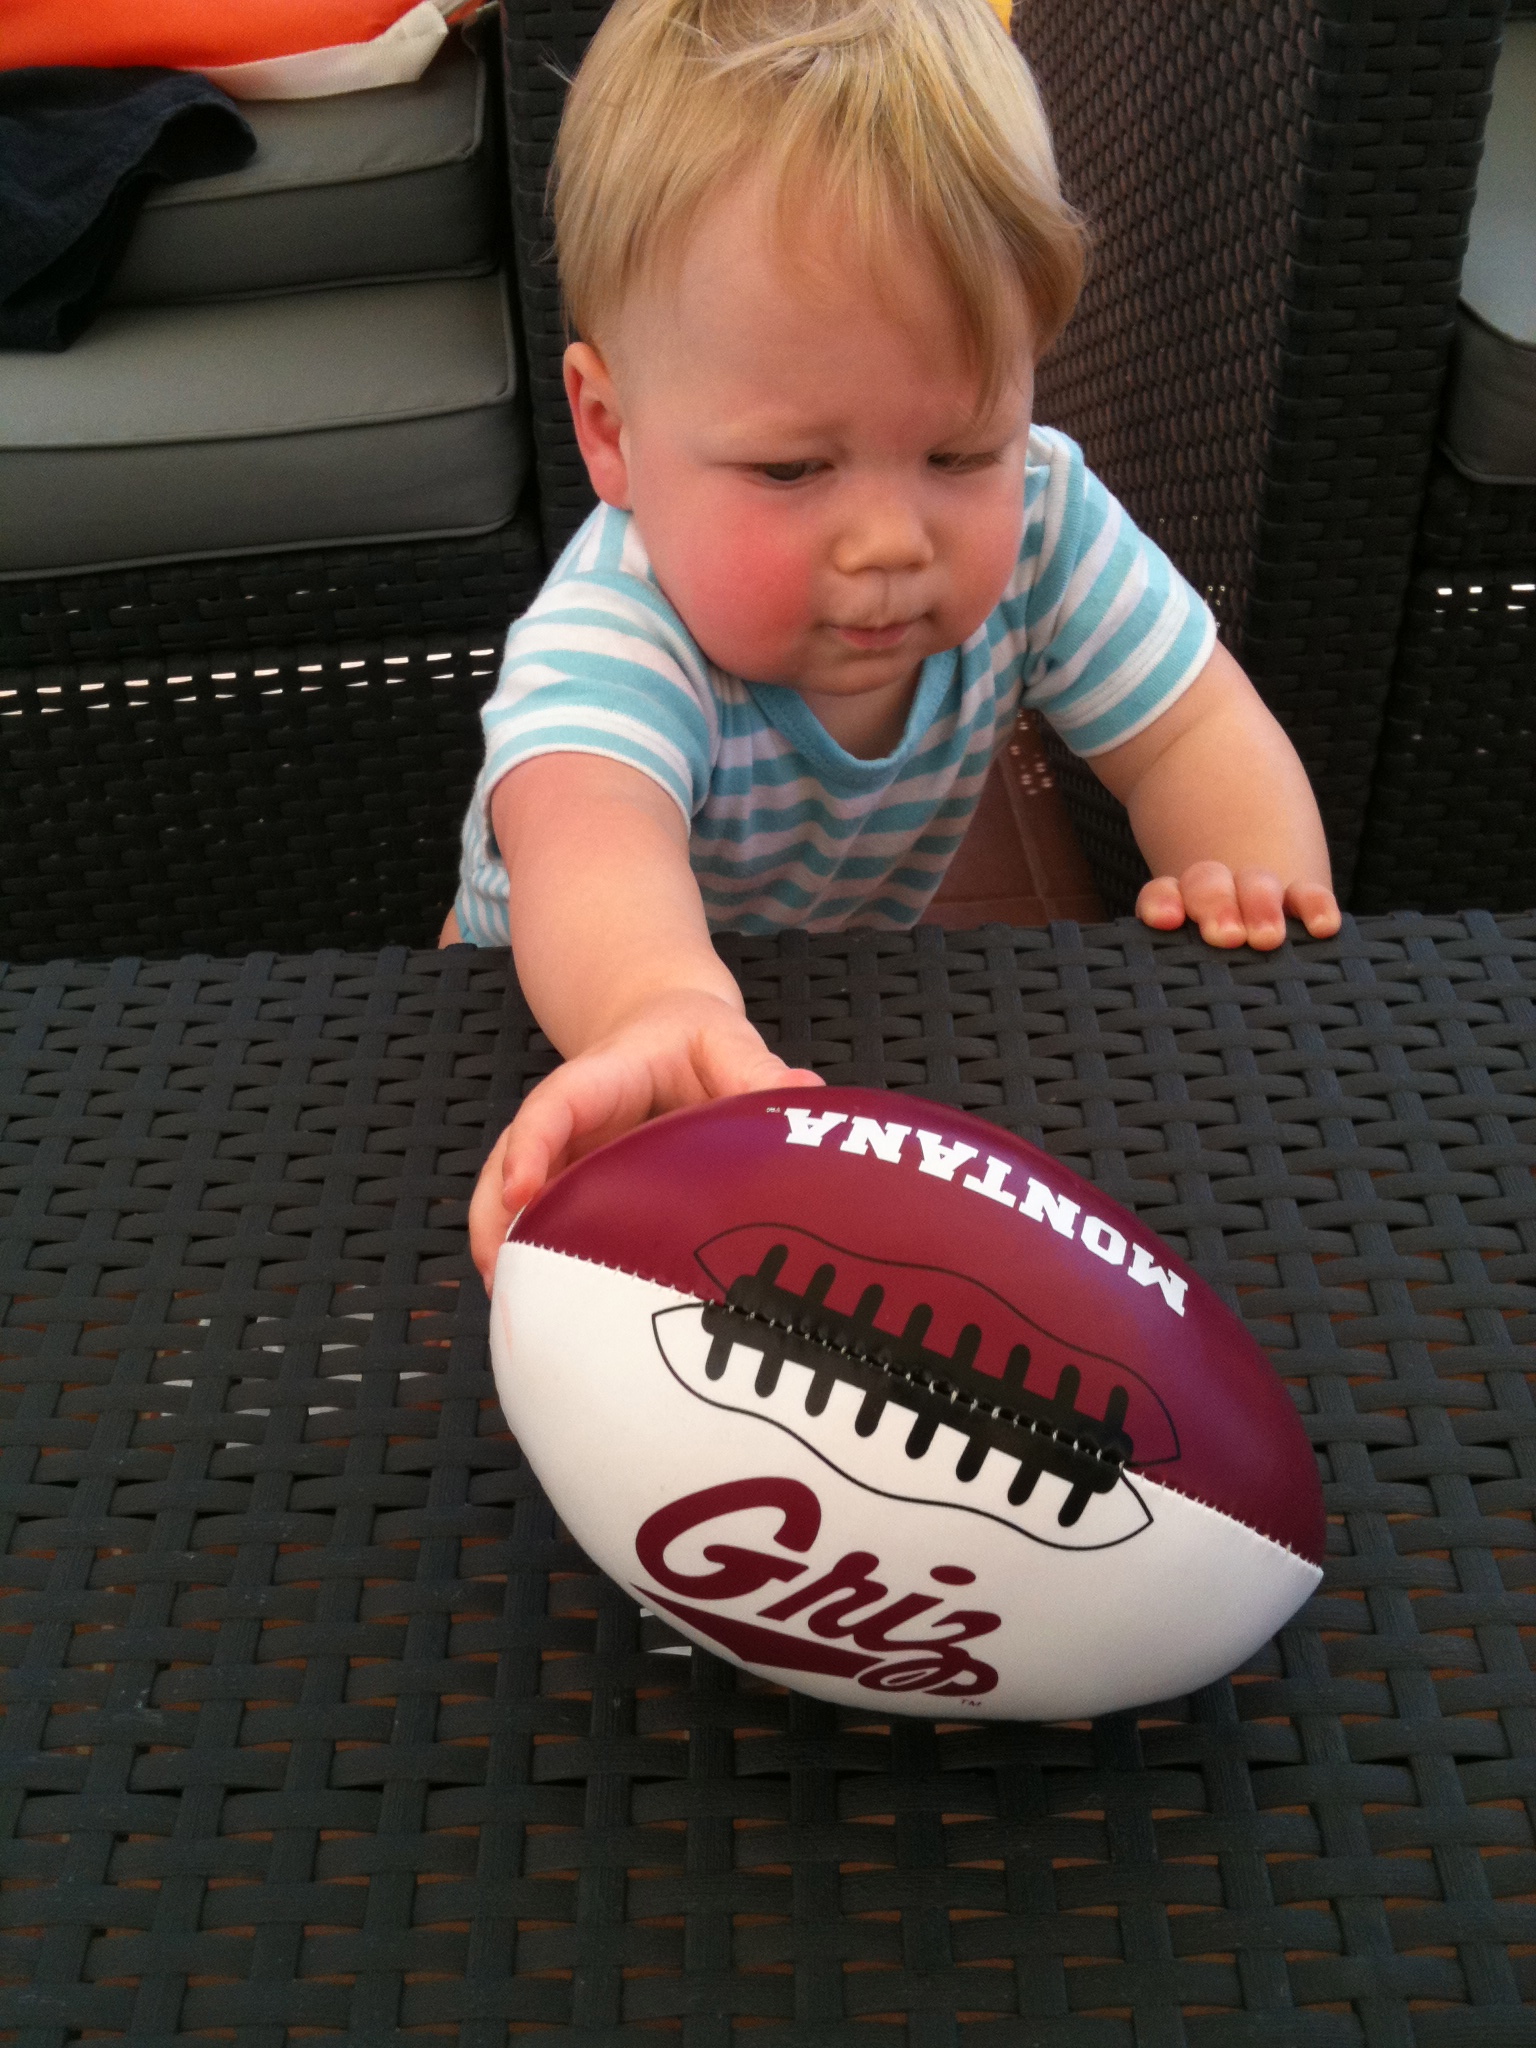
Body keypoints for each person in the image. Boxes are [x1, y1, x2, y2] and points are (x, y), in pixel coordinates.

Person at [447, 0, 1342, 1284]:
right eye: (793, 467)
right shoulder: (617, 629)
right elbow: (593, 838)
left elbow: (1195, 728)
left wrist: (1248, 886)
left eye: (960, 450)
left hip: (825, 1007)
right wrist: (660, 1006)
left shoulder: (1041, 518)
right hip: (559, 1035)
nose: (888, 540)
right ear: (610, 431)